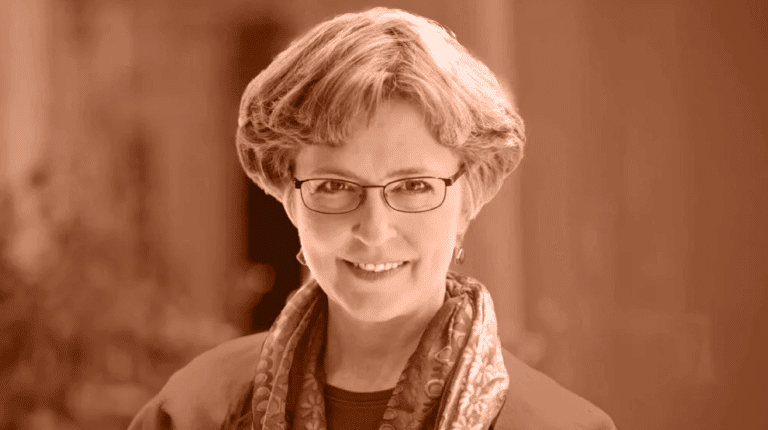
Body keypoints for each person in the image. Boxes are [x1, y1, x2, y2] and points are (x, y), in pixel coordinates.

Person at [129, 7, 616, 430]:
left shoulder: (560, 426)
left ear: (468, 199)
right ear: (290, 198)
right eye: (335, 187)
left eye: (414, 186)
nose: (375, 230)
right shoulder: (195, 411)